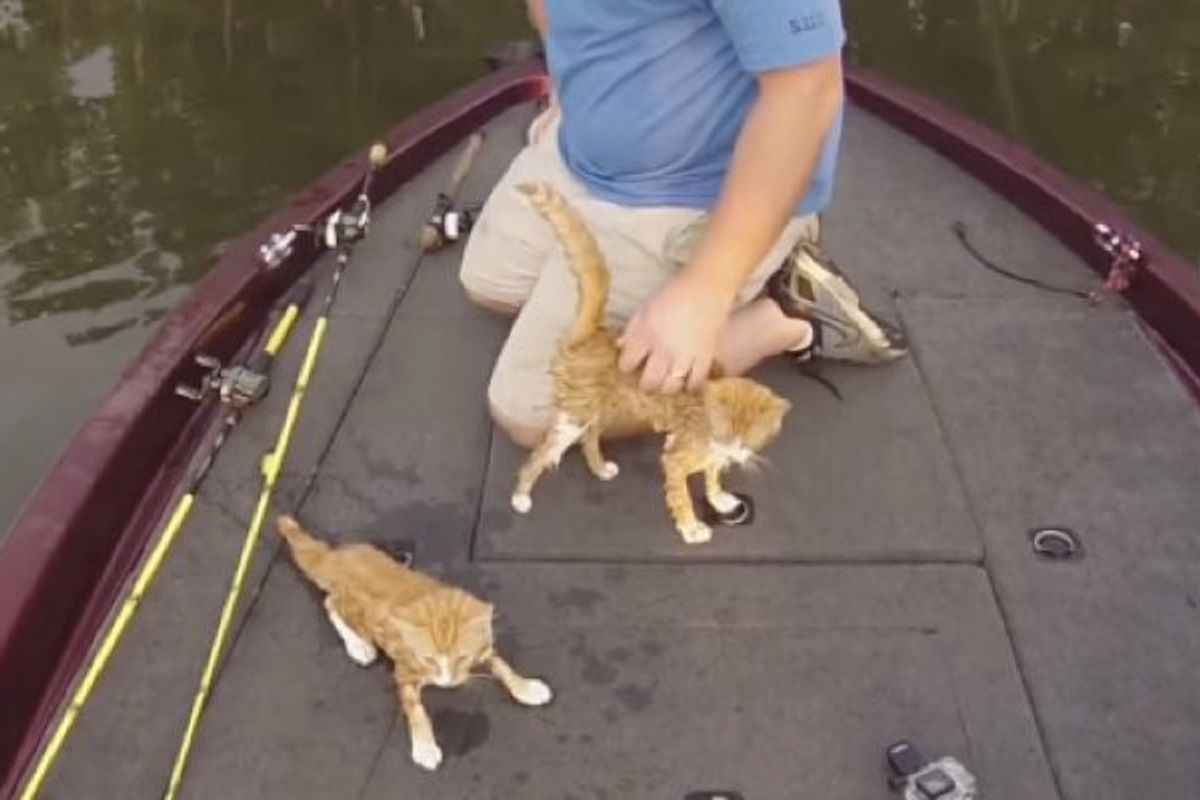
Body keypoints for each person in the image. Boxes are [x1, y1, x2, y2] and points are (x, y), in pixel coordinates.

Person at [460, 0, 906, 448]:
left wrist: (706, 289)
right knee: (489, 283)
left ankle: (789, 313)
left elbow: (807, 92)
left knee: (531, 410)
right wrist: (567, 86)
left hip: (692, 197)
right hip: (582, 156)